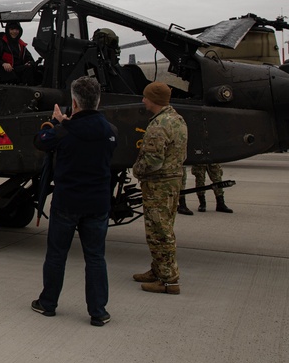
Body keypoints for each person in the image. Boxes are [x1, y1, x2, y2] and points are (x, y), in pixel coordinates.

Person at [31, 76, 118, 327]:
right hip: (98, 205)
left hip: (67, 204)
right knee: (95, 257)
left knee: (57, 255)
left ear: (74, 103)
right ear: (98, 101)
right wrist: (67, 123)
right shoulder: (111, 132)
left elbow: (41, 141)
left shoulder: (62, 132)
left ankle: (48, 303)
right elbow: (88, 134)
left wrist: (55, 124)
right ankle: (98, 311)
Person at [131, 81, 188, 295]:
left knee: (159, 232)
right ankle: (158, 270)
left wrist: (137, 170)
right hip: (172, 182)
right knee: (164, 227)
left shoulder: (159, 125)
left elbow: (153, 161)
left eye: (146, 97)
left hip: (158, 185)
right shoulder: (177, 120)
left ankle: (168, 280)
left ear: (154, 100)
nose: (143, 100)